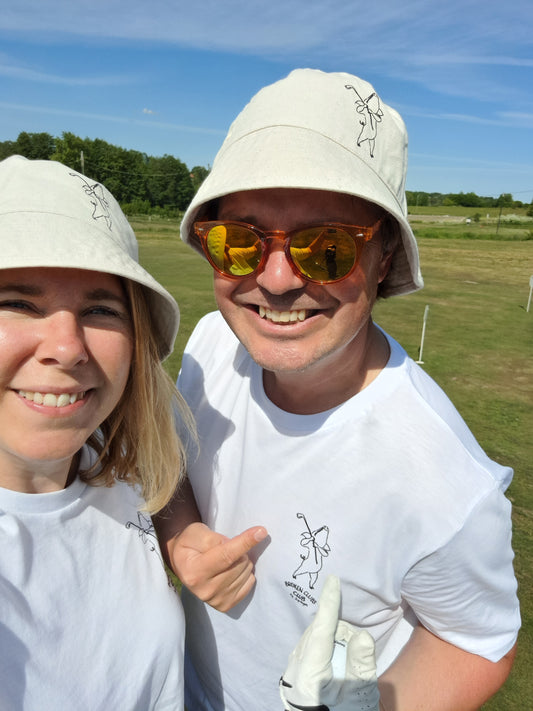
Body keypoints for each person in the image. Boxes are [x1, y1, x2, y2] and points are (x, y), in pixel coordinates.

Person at [156, 69, 520, 711]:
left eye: (326, 249)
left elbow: (477, 640)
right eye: (237, 242)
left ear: (384, 262)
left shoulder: (446, 483)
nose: (273, 280)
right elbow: (179, 464)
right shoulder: (212, 345)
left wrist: (382, 704)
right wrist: (182, 531)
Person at [0, 155, 196, 710]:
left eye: (101, 310)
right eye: (17, 303)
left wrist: (182, 535)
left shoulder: (111, 464)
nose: (66, 347)